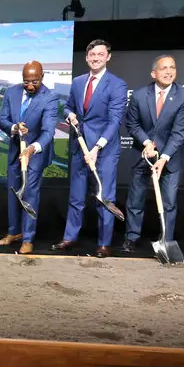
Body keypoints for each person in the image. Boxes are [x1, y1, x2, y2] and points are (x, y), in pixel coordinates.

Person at [54, 40, 128, 258]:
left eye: (100, 54)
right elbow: (68, 106)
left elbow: (115, 121)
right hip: (79, 147)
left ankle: (104, 243)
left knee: (104, 197)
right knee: (76, 197)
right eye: (92, 54)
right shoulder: (77, 82)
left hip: (103, 151)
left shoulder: (117, 85)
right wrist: (70, 115)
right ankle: (70, 237)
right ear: (87, 57)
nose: (96, 58)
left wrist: (96, 148)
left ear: (108, 57)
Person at [121, 55, 184, 253]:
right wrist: (146, 143)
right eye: (164, 68)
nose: (169, 72)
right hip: (142, 154)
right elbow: (132, 124)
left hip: (170, 158)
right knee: (135, 200)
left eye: (172, 67)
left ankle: (166, 240)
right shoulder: (138, 95)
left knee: (169, 201)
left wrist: (164, 157)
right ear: (154, 73)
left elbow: (180, 131)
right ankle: (132, 237)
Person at [0, 61, 60, 254]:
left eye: (35, 82)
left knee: (30, 193)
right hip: (16, 149)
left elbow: (48, 131)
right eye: (26, 82)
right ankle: (14, 232)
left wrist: (32, 149)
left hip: (35, 151)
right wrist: (14, 127)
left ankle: (28, 238)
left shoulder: (50, 97)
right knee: (13, 191)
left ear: (42, 77)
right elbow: (2, 118)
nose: (30, 86)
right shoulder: (11, 92)